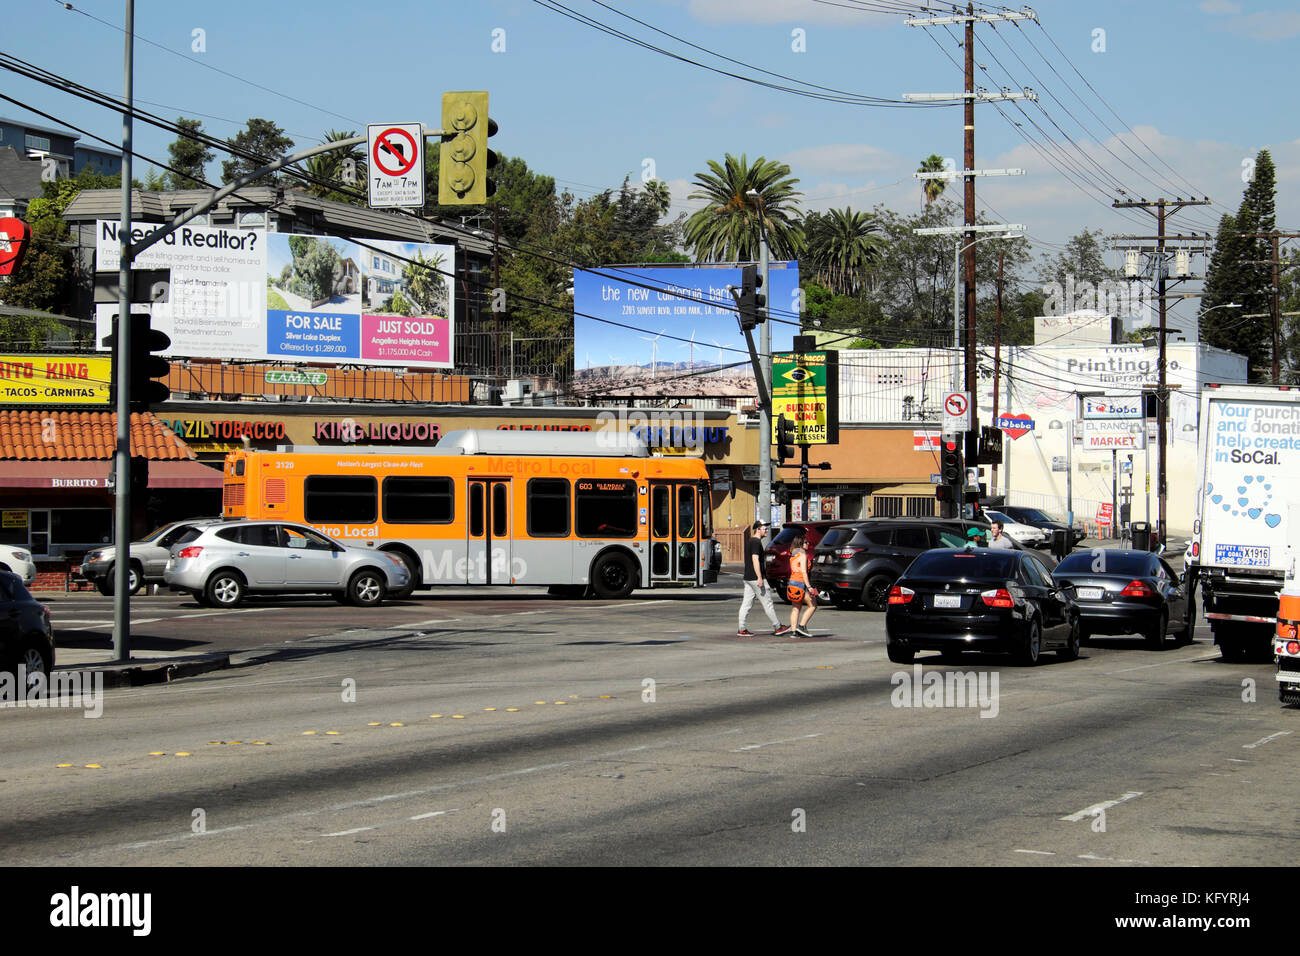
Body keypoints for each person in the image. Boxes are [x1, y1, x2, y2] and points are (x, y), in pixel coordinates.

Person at [739, 521, 791, 637]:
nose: (766, 531)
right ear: (758, 529)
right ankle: (778, 627)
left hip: (747, 577)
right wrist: (759, 577)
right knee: (768, 603)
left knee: (746, 604)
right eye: (764, 529)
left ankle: (741, 628)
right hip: (755, 578)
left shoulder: (750, 541)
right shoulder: (756, 542)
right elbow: (755, 559)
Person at [786, 533, 817, 638]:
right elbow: (804, 572)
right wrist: (809, 587)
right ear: (800, 543)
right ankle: (802, 626)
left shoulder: (793, 555)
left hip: (792, 582)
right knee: (813, 605)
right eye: (806, 542)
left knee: (796, 608)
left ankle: (794, 631)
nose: (808, 544)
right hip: (800, 583)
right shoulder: (802, 555)